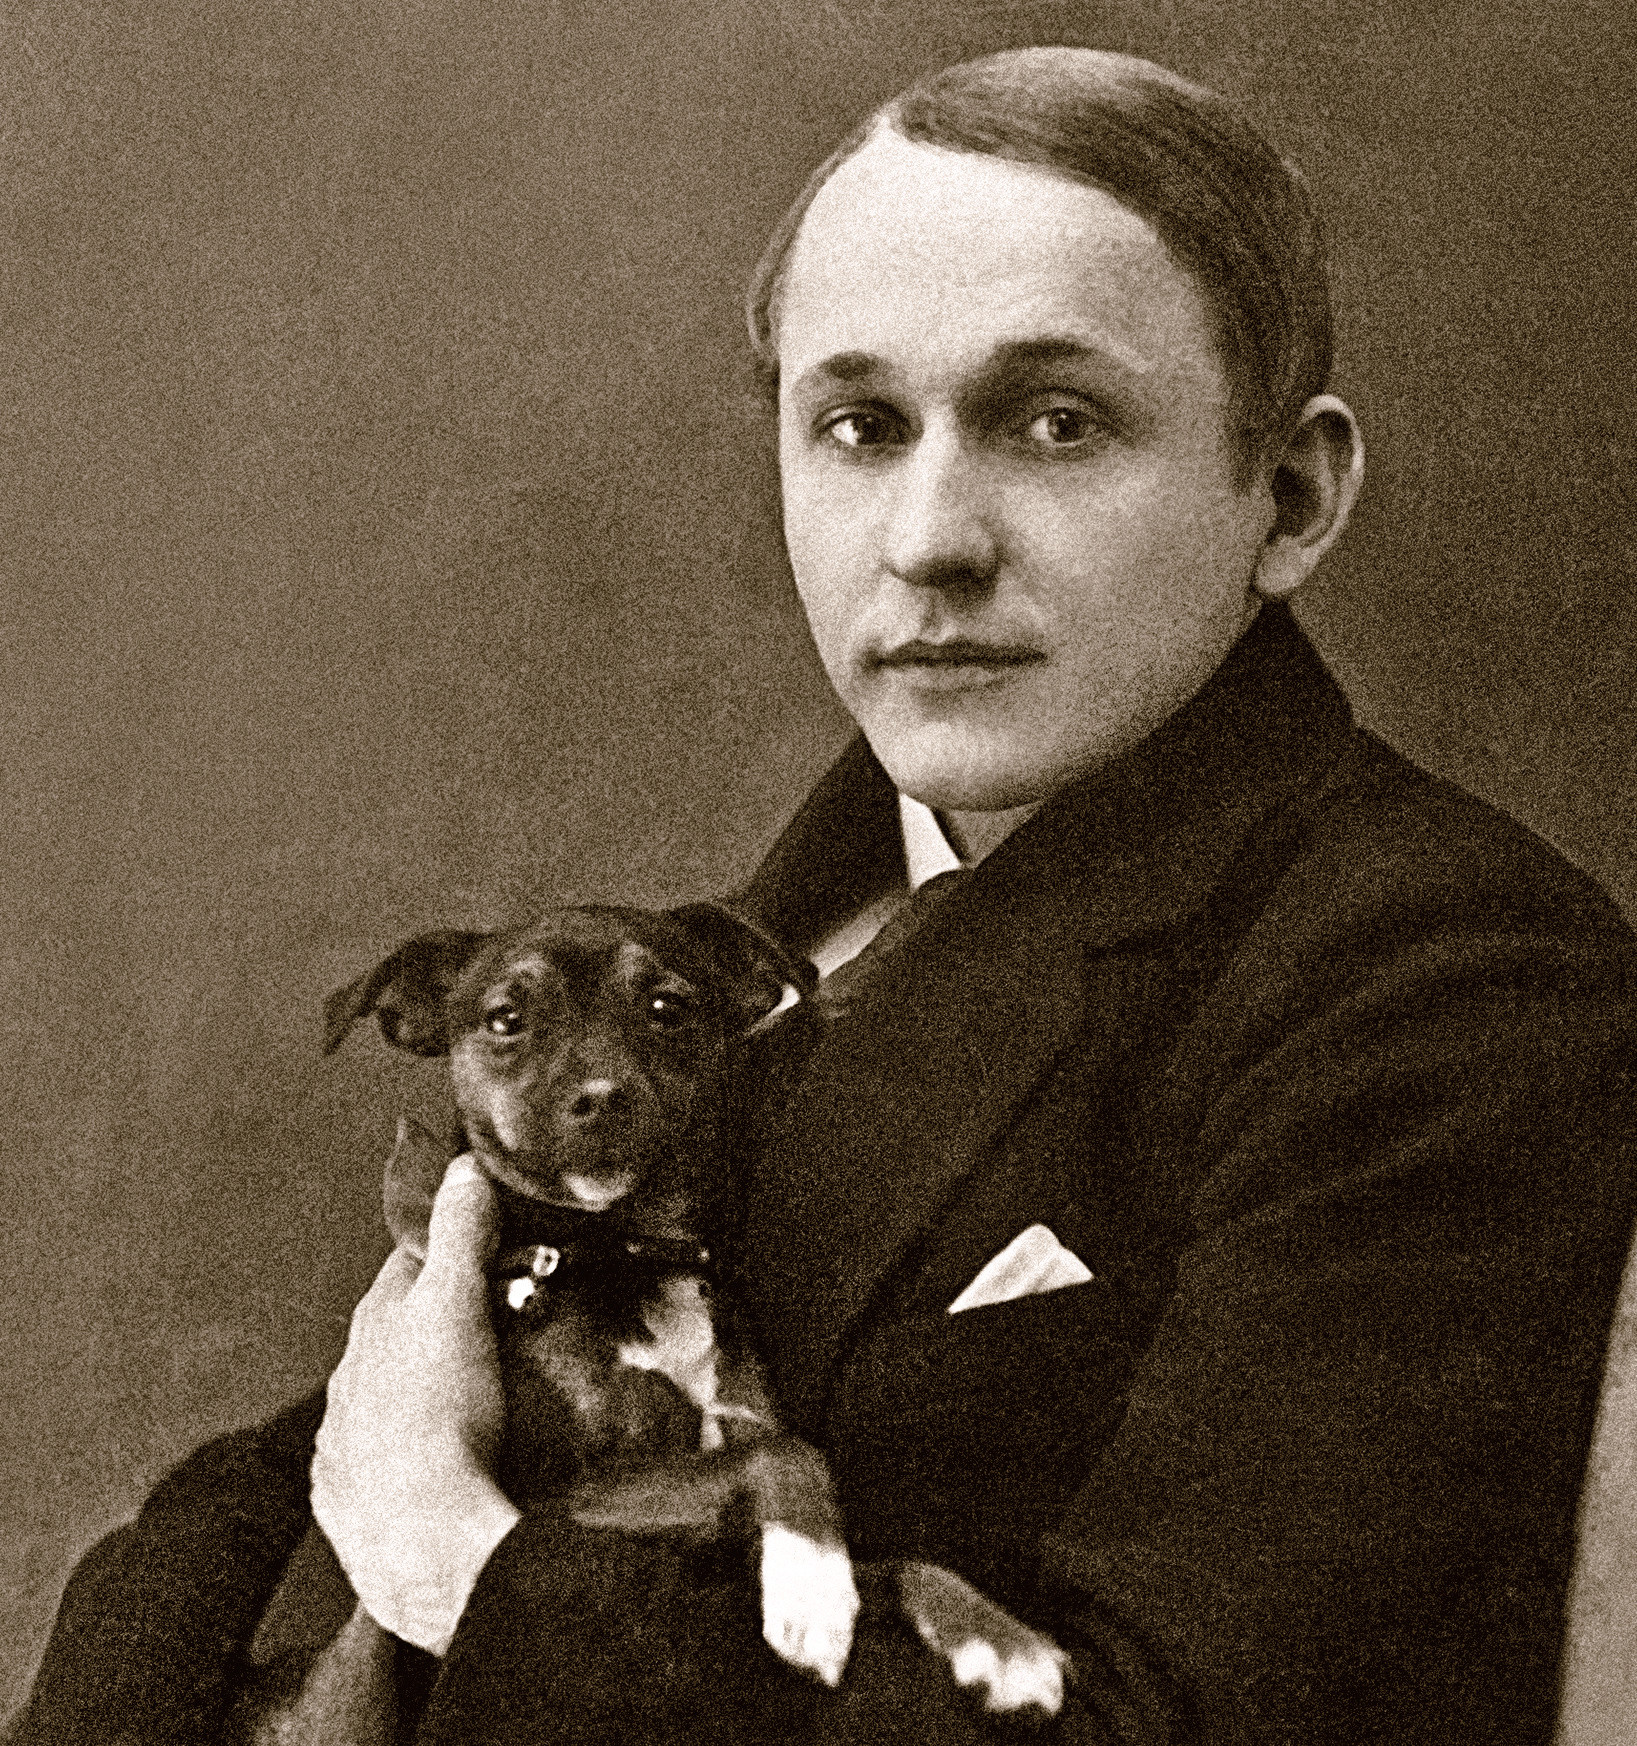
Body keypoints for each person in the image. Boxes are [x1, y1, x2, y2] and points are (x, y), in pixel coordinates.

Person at [16, 45, 1637, 1746]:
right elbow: (349, 1439)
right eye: (858, 426)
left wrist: (466, 1572)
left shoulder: (1446, 979)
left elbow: (1173, 1719)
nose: (928, 538)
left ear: (1286, 497)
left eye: (1057, 421)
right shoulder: (752, 942)